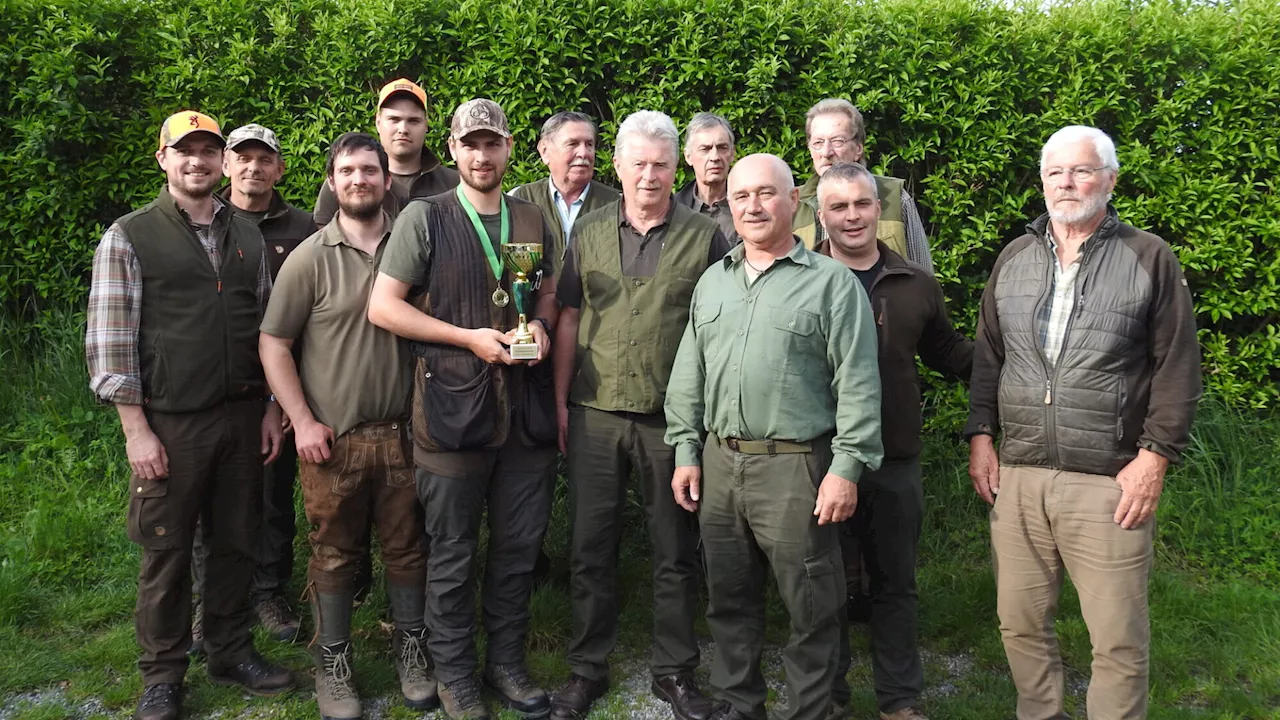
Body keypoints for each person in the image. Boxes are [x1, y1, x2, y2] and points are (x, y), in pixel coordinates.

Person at [966, 126, 1201, 720]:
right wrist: (981, 437)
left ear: (1111, 180)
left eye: (1082, 171)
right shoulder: (1014, 257)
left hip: (1109, 479)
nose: (1067, 184)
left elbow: (1177, 366)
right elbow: (989, 357)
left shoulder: (1149, 257)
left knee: (1117, 638)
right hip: (1018, 477)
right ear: (1042, 181)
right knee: (1019, 624)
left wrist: (1154, 458)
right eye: (1055, 173)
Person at [86, 110, 293, 720]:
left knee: (236, 542)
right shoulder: (130, 235)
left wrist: (270, 407)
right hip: (169, 422)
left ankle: (230, 649)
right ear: (163, 158)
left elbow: (266, 330)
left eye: (208, 150)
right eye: (186, 151)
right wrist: (136, 429)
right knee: (167, 551)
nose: (198, 161)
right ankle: (163, 673)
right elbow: (111, 340)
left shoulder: (247, 236)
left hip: (241, 416)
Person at [664, 153, 883, 720]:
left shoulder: (833, 286)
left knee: (812, 602)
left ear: (794, 203)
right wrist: (687, 451)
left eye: (766, 194)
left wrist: (846, 468)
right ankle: (741, 704)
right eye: (741, 197)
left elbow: (858, 383)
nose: (753, 206)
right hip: (720, 463)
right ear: (729, 207)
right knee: (729, 601)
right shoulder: (714, 282)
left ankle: (816, 708)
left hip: (796, 469)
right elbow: (690, 373)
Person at [368, 98, 560, 720]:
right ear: (452, 150)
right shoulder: (426, 217)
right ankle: (455, 675)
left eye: (493, 143)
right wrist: (469, 337)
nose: (482, 155)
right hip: (452, 411)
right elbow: (385, 308)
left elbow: (544, 293)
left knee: (516, 547)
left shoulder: (530, 216)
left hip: (523, 413)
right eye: (470, 144)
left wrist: (545, 331)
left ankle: (505, 663)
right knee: (452, 551)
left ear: (509, 150)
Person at [548, 111, 732, 720]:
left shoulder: (705, 237)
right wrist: (559, 400)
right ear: (619, 168)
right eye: (638, 164)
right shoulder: (589, 231)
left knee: (675, 549)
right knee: (589, 547)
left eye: (660, 164)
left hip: (671, 422)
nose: (650, 176)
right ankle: (585, 668)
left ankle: (674, 672)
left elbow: (720, 328)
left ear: (674, 168)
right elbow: (569, 317)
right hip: (596, 414)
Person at [260, 131, 434, 719]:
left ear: (388, 180)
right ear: (331, 184)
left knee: (409, 550)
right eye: (347, 172)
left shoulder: (415, 246)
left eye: (369, 170)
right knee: (333, 554)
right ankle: (333, 665)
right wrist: (301, 420)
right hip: (332, 443)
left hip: (406, 436)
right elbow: (274, 343)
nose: (358, 180)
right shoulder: (309, 257)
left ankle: (414, 651)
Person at [815, 162, 973, 720]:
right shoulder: (801, 278)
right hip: (817, 460)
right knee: (824, 586)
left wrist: (1014, 351)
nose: (853, 216)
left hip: (893, 456)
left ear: (879, 210)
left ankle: (899, 701)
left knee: (895, 585)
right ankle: (826, 698)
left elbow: (951, 356)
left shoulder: (914, 284)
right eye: (839, 207)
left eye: (862, 204)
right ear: (821, 215)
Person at [188, 123, 316, 655]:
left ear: (279, 169)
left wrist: (291, 398)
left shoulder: (305, 227)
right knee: (206, 505)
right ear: (225, 165)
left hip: (278, 392)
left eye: (264, 159)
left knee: (272, 501)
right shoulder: (199, 225)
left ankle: (268, 592)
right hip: (213, 390)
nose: (252, 168)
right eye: (242, 158)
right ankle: (206, 606)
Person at [792, 99, 932, 272]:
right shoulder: (793, 204)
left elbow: (923, 273)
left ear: (858, 148)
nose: (826, 152)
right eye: (818, 143)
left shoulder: (894, 197)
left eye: (837, 141)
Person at [313, 78, 459, 226]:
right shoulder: (347, 182)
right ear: (378, 122)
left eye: (413, 121)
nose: (403, 129)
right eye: (394, 119)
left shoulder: (453, 184)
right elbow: (323, 238)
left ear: (426, 125)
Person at [509, 111, 620, 275]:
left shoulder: (617, 204)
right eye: (572, 144)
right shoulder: (518, 199)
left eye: (589, 144)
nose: (583, 153)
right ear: (545, 151)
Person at [674, 112, 737, 243]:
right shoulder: (673, 210)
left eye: (722, 148)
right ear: (688, 156)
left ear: (732, 154)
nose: (715, 157)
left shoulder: (748, 207)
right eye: (705, 149)